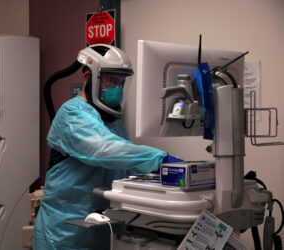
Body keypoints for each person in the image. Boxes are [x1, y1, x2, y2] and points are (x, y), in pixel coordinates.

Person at [33, 44, 178, 250]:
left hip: (99, 230)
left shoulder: (114, 124)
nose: (117, 88)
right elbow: (103, 149)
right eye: (112, 81)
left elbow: (124, 165)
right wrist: (159, 159)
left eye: (121, 82)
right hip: (64, 234)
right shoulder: (72, 114)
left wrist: (172, 176)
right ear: (88, 77)